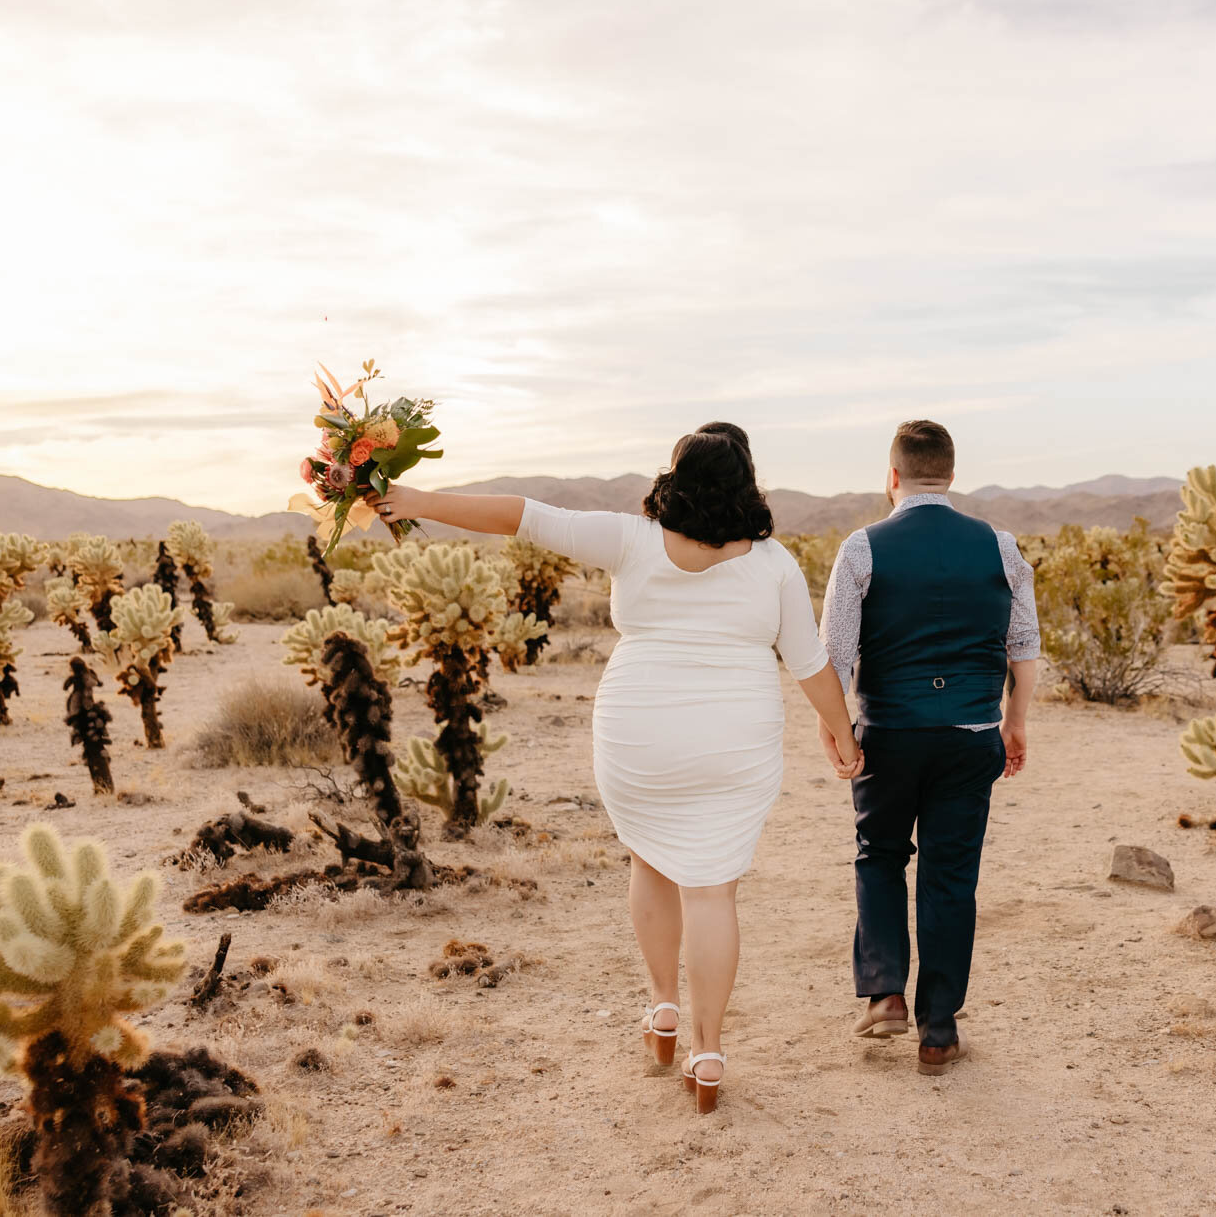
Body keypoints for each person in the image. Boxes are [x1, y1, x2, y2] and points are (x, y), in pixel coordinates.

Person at [363, 422, 861, 1113]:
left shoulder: (632, 539)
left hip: (639, 735)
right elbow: (809, 663)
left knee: (649, 862)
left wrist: (416, 498)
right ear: (748, 481)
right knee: (712, 890)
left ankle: (662, 1010)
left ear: (676, 476)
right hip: (732, 740)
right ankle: (707, 1050)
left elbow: (520, 515)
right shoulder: (773, 563)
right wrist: (842, 732)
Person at [818, 419, 1039, 1073]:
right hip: (971, 736)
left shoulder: (862, 548)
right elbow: (1022, 646)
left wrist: (834, 727)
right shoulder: (1000, 546)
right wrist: (1015, 720)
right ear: (949, 475)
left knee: (879, 853)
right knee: (950, 876)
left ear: (892, 478)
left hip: (888, 734)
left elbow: (832, 653)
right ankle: (938, 1030)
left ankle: (886, 990)